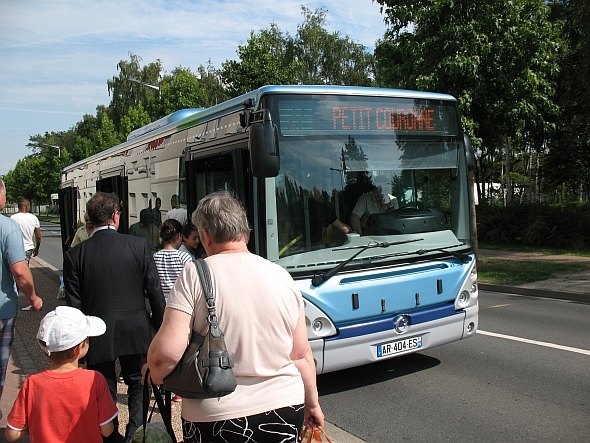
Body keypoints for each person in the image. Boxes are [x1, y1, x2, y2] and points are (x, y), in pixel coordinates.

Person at [145, 191, 324, 443]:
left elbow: (166, 355)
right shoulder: (281, 275)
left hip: (217, 416)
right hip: (285, 408)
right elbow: (301, 355)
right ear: (244, 230)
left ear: (206, 234)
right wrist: (312, 403)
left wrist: (153, 372)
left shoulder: (194, 274)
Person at [63, 192, 166, 442]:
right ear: (116, 216)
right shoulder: (138, 246)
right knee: (138, 381)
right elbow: (155, 292)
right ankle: (135, 432)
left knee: (104, 385)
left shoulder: (75, 256)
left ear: (89, 218)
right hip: (135, 327)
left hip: (97, 331)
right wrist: (160, 328)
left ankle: (110, 436)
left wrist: (79, 341)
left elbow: (74, 306)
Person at [5, 306, 118, 443]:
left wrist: (38, 425)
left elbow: (12, 434)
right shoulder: (95, 379)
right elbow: (107, 430)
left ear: (45, 350)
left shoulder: (32, 383)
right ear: (79, 348)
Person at [0, 179, 43, 419]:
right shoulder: (6, 227)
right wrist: (34, 298)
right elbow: (19, 271)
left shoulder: (12, 222)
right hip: (2, 307)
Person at [153, 219, 193, 302]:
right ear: (178, 236)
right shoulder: (184, 257)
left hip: (160, 303)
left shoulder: (154, 257)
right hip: (179, 303)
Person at [10, 198, 41, 265]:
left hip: (16, 248)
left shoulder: (13, 218)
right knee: (25, 267)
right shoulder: (34, 218)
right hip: (28, 248)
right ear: (27, 206)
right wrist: (37, 248)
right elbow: (38, 236)